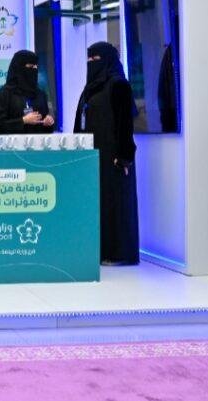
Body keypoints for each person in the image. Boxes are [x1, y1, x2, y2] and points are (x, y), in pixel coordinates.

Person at [74, 42, 138, 266]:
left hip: (113, 158)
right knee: (97, 203)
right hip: (93, 158)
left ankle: (119, 253)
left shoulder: (119, 85)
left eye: (96, 59)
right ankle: (99, 251)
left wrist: (124, 157)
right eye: (89, 59)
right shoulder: (90, 89)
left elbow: (125, 125)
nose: (91, 63)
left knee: (115, 204)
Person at [0, 50, 56, 135]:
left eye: (36, 67)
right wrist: (23, 121)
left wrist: (48, 122)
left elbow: (47, 128)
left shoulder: (40, 94)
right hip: (13, 143)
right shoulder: (5, 93)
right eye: (31, 66)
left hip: (37, 142)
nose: (34, 70)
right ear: (19, 68)